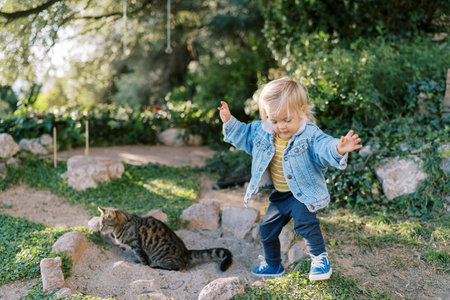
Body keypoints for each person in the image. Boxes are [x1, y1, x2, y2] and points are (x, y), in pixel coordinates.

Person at [217, 77, 362, 281]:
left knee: (304, 223)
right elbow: (243, 134)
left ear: (301, 111)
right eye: (274, 120)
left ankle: (320, 260)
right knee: (266, 230)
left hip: (302, 192)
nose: (281, 126)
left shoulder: (309, 134)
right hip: (281, 195)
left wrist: (338, 148)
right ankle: (273, 265)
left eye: (287, 119)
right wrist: (229, 121)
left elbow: (323, 147)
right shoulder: (262, 131)